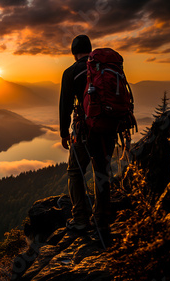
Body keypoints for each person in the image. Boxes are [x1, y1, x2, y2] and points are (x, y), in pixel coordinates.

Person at [59, 35, 115, 243]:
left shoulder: (71, 72)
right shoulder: (104, 68)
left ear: (74, 52)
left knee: (75, 171)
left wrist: (64, 132)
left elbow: (65, 105)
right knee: (102, 172)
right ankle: (101, 219)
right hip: (108, 129)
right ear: (90, 50)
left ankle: (81, 219)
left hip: (84, 131)